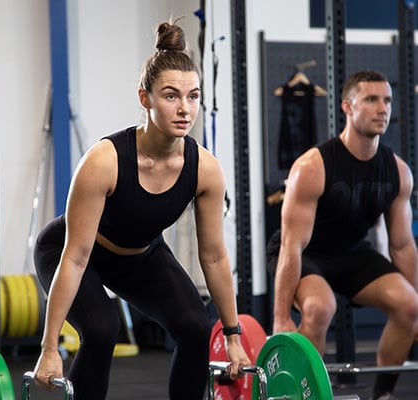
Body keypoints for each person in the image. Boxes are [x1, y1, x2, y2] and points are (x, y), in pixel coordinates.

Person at [32, 18, 251, 400]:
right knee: (101, 330)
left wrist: (232, 336)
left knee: (196, 326)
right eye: (170, 95)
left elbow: (214, 257)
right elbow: (76, 256)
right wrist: (50, 348)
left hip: (141, 255)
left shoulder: (206, 170)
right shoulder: (104, 161)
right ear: (145, 98)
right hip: (71, 250)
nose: (185, 108)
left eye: (194, 96)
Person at [266, 70, 418, 400]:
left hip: (352, 253)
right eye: (372, 99)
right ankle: (309, 394)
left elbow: (403, 245)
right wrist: (280, 319)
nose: (383, 108)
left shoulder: (398, 171)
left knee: (409, 306)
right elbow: (293, 244)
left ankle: (383, 396)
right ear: (347, 107)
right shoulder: (312, 167)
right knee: (320, 307)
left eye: (387, 100)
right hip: (305, 254)